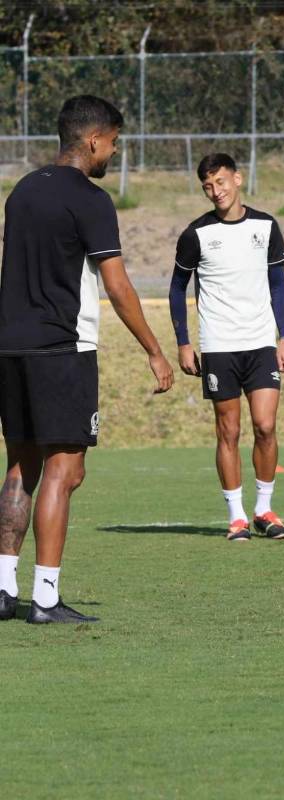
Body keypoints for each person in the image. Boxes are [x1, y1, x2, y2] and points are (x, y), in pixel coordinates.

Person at [0, 95, 174, 624]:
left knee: (19, 468)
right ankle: (47, 599)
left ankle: (3, 590)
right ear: (93, 139)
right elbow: (116, 284)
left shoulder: (23, 191)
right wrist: (154, 350)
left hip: (11, 347)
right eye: (115, 143)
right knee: (65, 469)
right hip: (62, 349)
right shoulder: (91, 200)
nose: (114, 153)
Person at [169, 153, 284, 542]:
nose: (215, 191)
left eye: (221, 182)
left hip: (260, 342)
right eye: (207, 186)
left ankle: (264, 509)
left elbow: (278, 284)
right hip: (219, 346)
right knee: (229, 430)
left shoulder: (266, 225)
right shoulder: (196, 233)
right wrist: (184, 342)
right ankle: (237, 515)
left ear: (238, 179)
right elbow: (177, 288)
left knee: (266, 426)